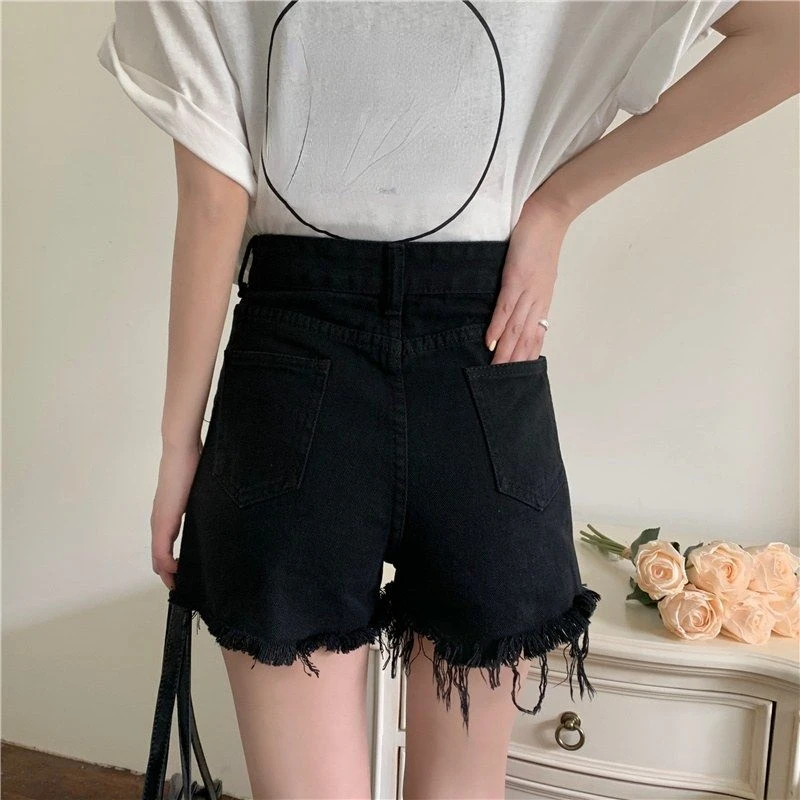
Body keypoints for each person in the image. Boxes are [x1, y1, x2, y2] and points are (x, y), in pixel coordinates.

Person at [96, 2, 799, 798]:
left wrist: (180, 443)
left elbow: (215, 202)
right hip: (483, 358)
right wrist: (556, 203)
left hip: (293, 368)